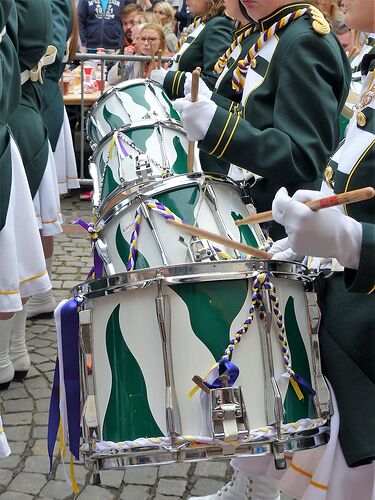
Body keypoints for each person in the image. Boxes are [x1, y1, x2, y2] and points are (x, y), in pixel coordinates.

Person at [174, 0, 351, 240]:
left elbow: (303, 156)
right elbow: (259, 116)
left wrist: (216, 126)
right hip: (255, 202)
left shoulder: (305, 40)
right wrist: (215, 105)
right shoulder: (277, 30)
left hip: (280, 221)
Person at [0, 0, 51, 390]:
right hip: (27, 112)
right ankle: (13, 350)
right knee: (14, 241)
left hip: (17, 115)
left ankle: (6, 354)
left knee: (8, 245)